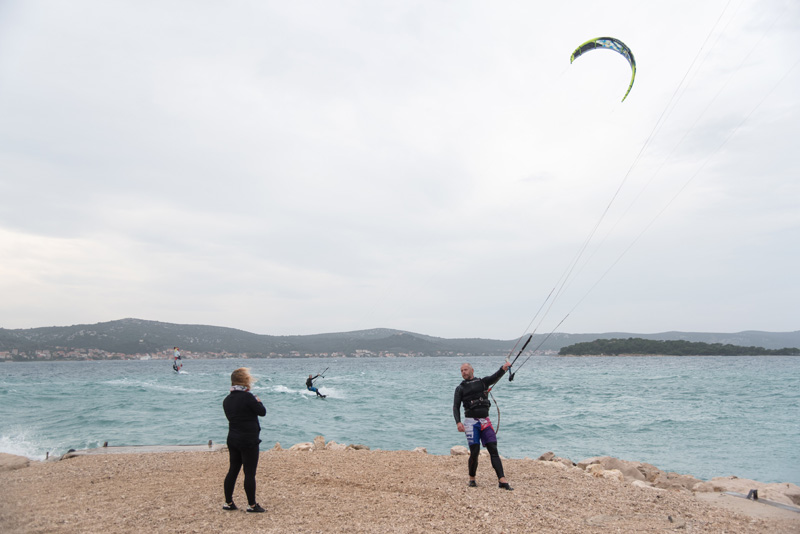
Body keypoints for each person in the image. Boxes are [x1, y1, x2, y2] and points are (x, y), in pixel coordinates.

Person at [453, 361, 513, 490]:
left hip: (485, 421)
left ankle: (502, 480)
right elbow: (455, 407)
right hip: (470, 423)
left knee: (493, 448)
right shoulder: (460, 388)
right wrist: (458, 422)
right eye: (461, 371)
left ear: (472, 370)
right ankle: (472, 478)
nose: (463, 372)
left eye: (465, 370)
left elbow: (495, 376)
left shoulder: (482, 382)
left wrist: (504, 368)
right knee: (474, 452)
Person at [222, 367, 267, 513]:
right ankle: (252, 505)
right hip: (248, 439)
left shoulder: (227, 400)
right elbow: (262, 412)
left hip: (233, 438)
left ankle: (228, 502)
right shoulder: (249, 397)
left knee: (233, 470)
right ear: (245, 380)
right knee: (249, 472)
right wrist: (258, 401)